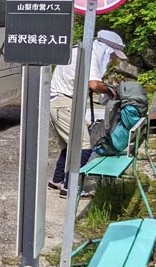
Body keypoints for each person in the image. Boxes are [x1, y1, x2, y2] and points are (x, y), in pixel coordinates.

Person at [48, 29, 128, 197]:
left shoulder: (79, 50)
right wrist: (111, 91)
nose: (113, 59)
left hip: (59, 101)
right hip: (64, 103)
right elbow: (94, 84)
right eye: (113, 55)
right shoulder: (91, 54)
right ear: (106, 49)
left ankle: (57, 179)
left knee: (69, 144)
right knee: (83, 146)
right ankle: (69, 187)